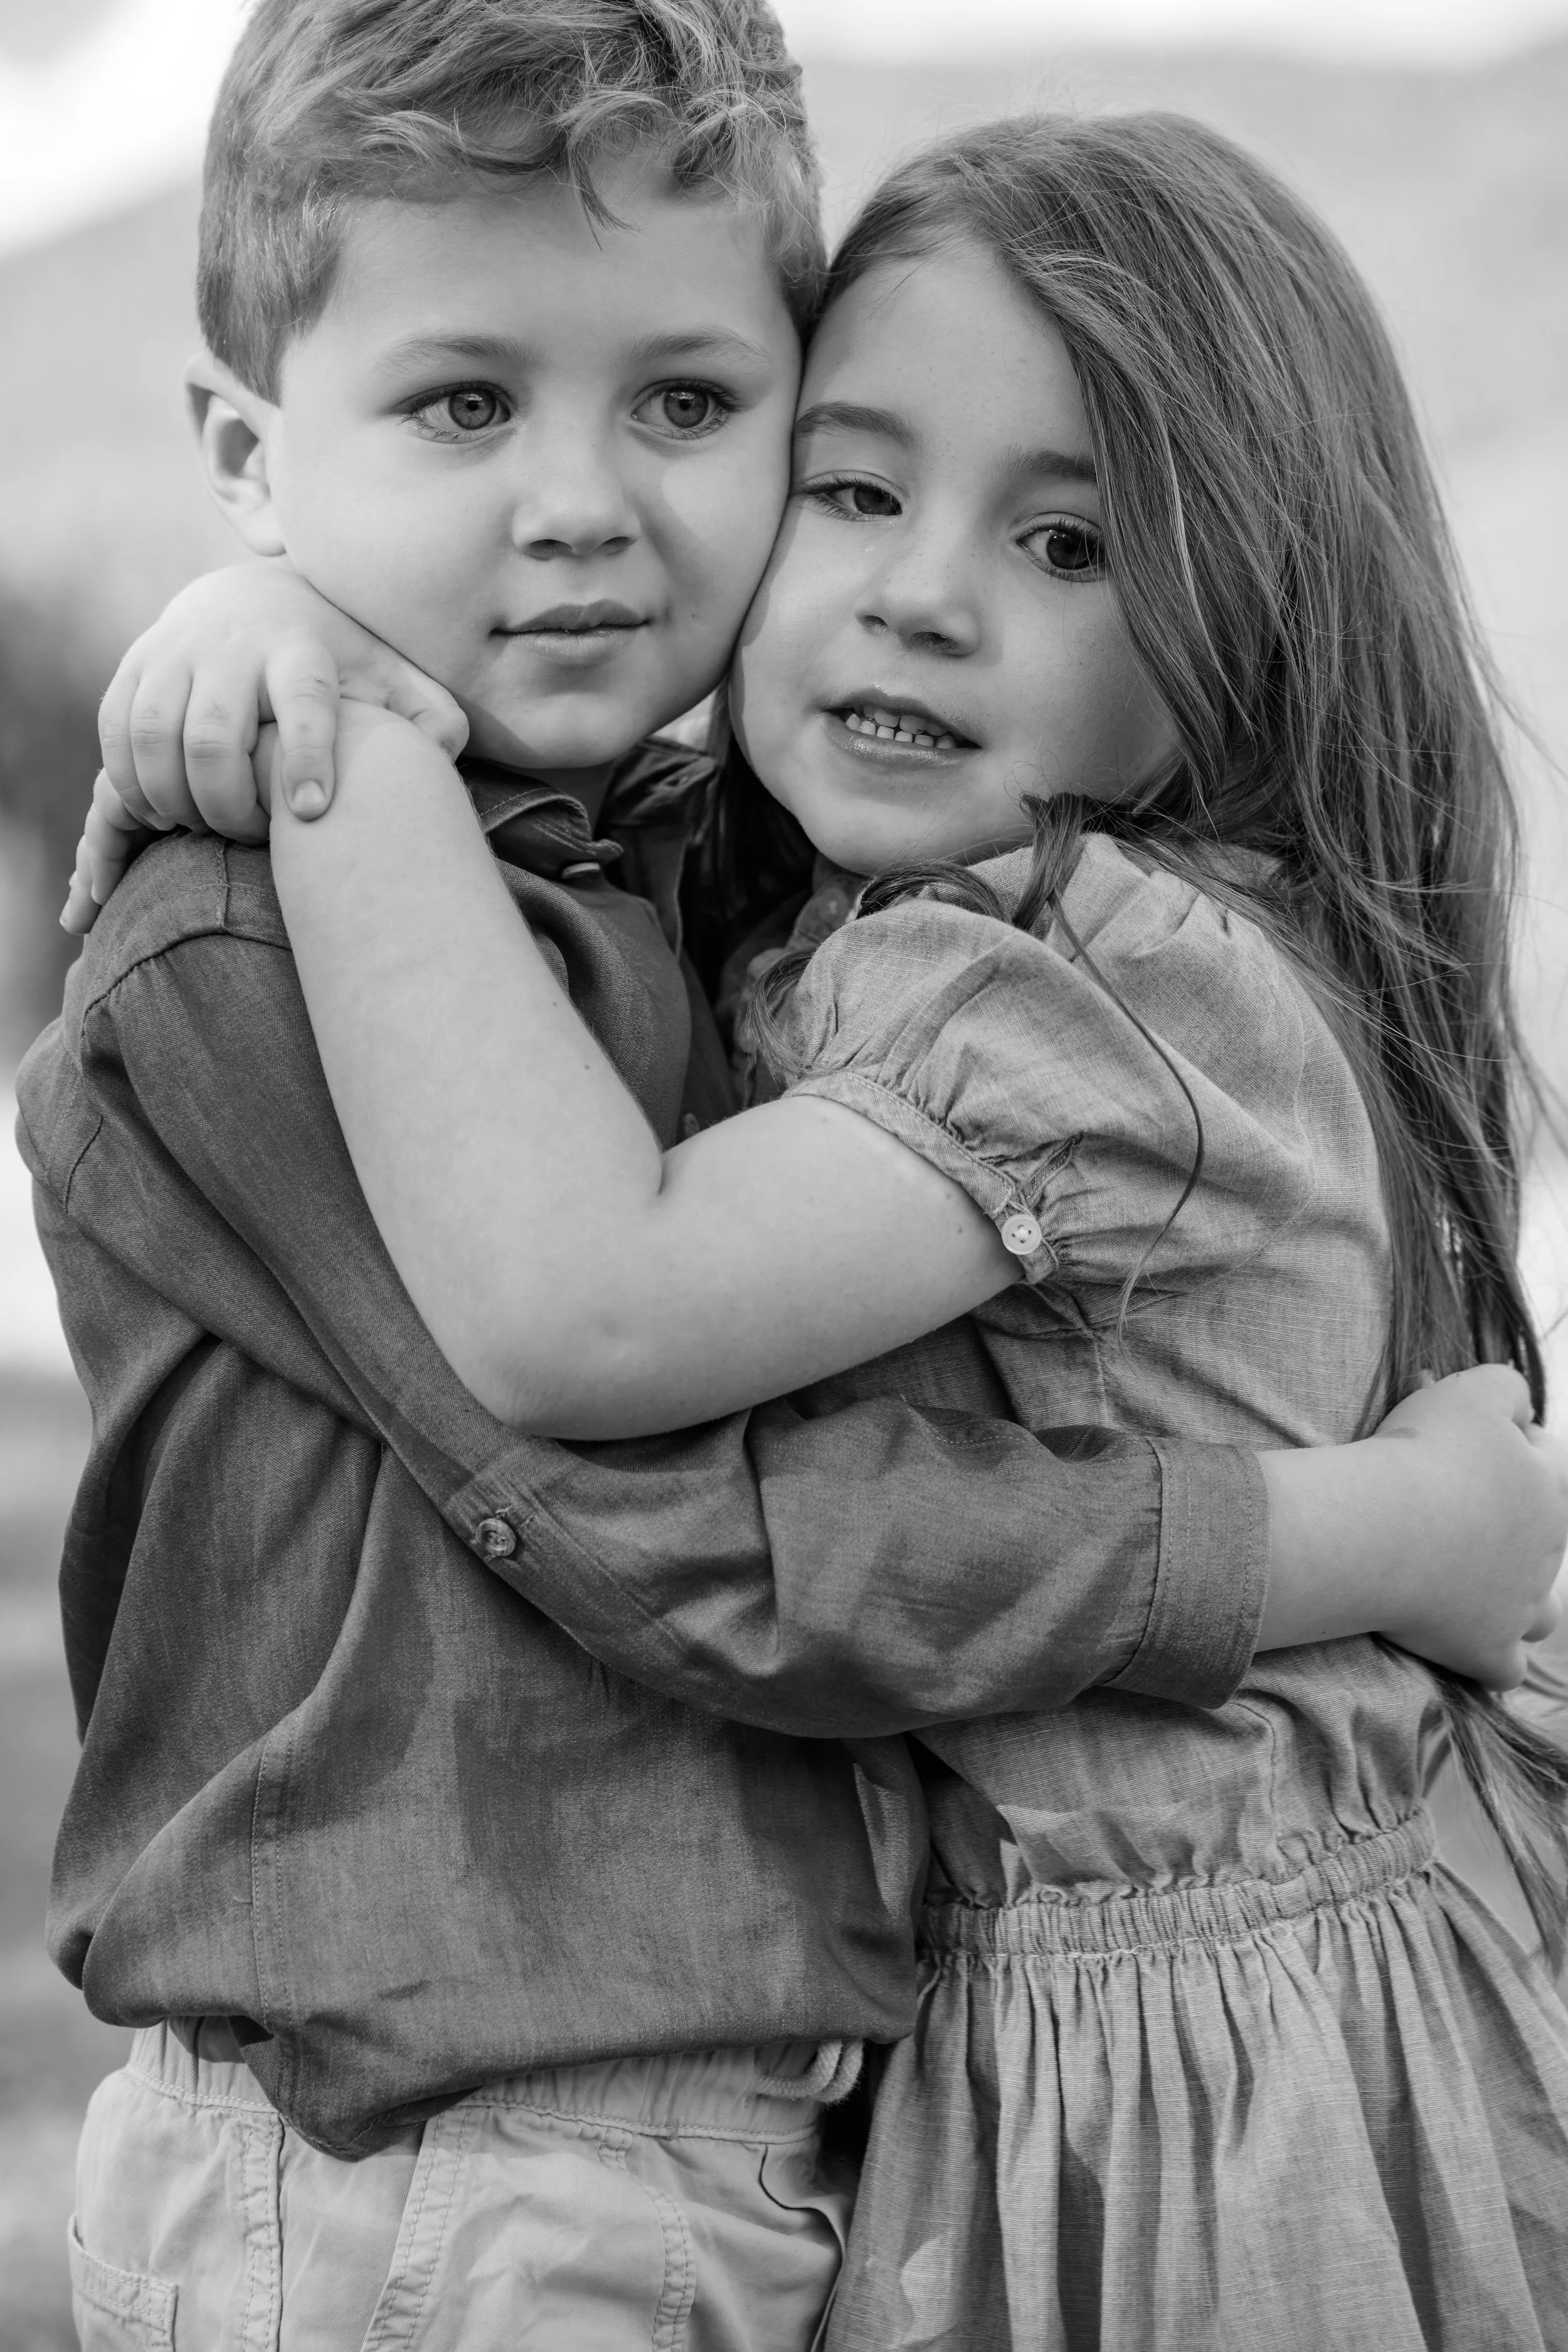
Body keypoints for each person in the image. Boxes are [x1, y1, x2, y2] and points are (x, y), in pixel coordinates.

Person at [41, 18, 1564, 2344]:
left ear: (1243, 613)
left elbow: (624, 1349)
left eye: (1063, 543)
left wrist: (327, 691)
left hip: (1149, 2066)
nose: (921, 593)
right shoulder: (437, 927)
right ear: (253, 450)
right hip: (538, 2132)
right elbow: (673, 1490)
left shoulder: (1063, 977)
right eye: (855, 491)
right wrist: (285, 643)